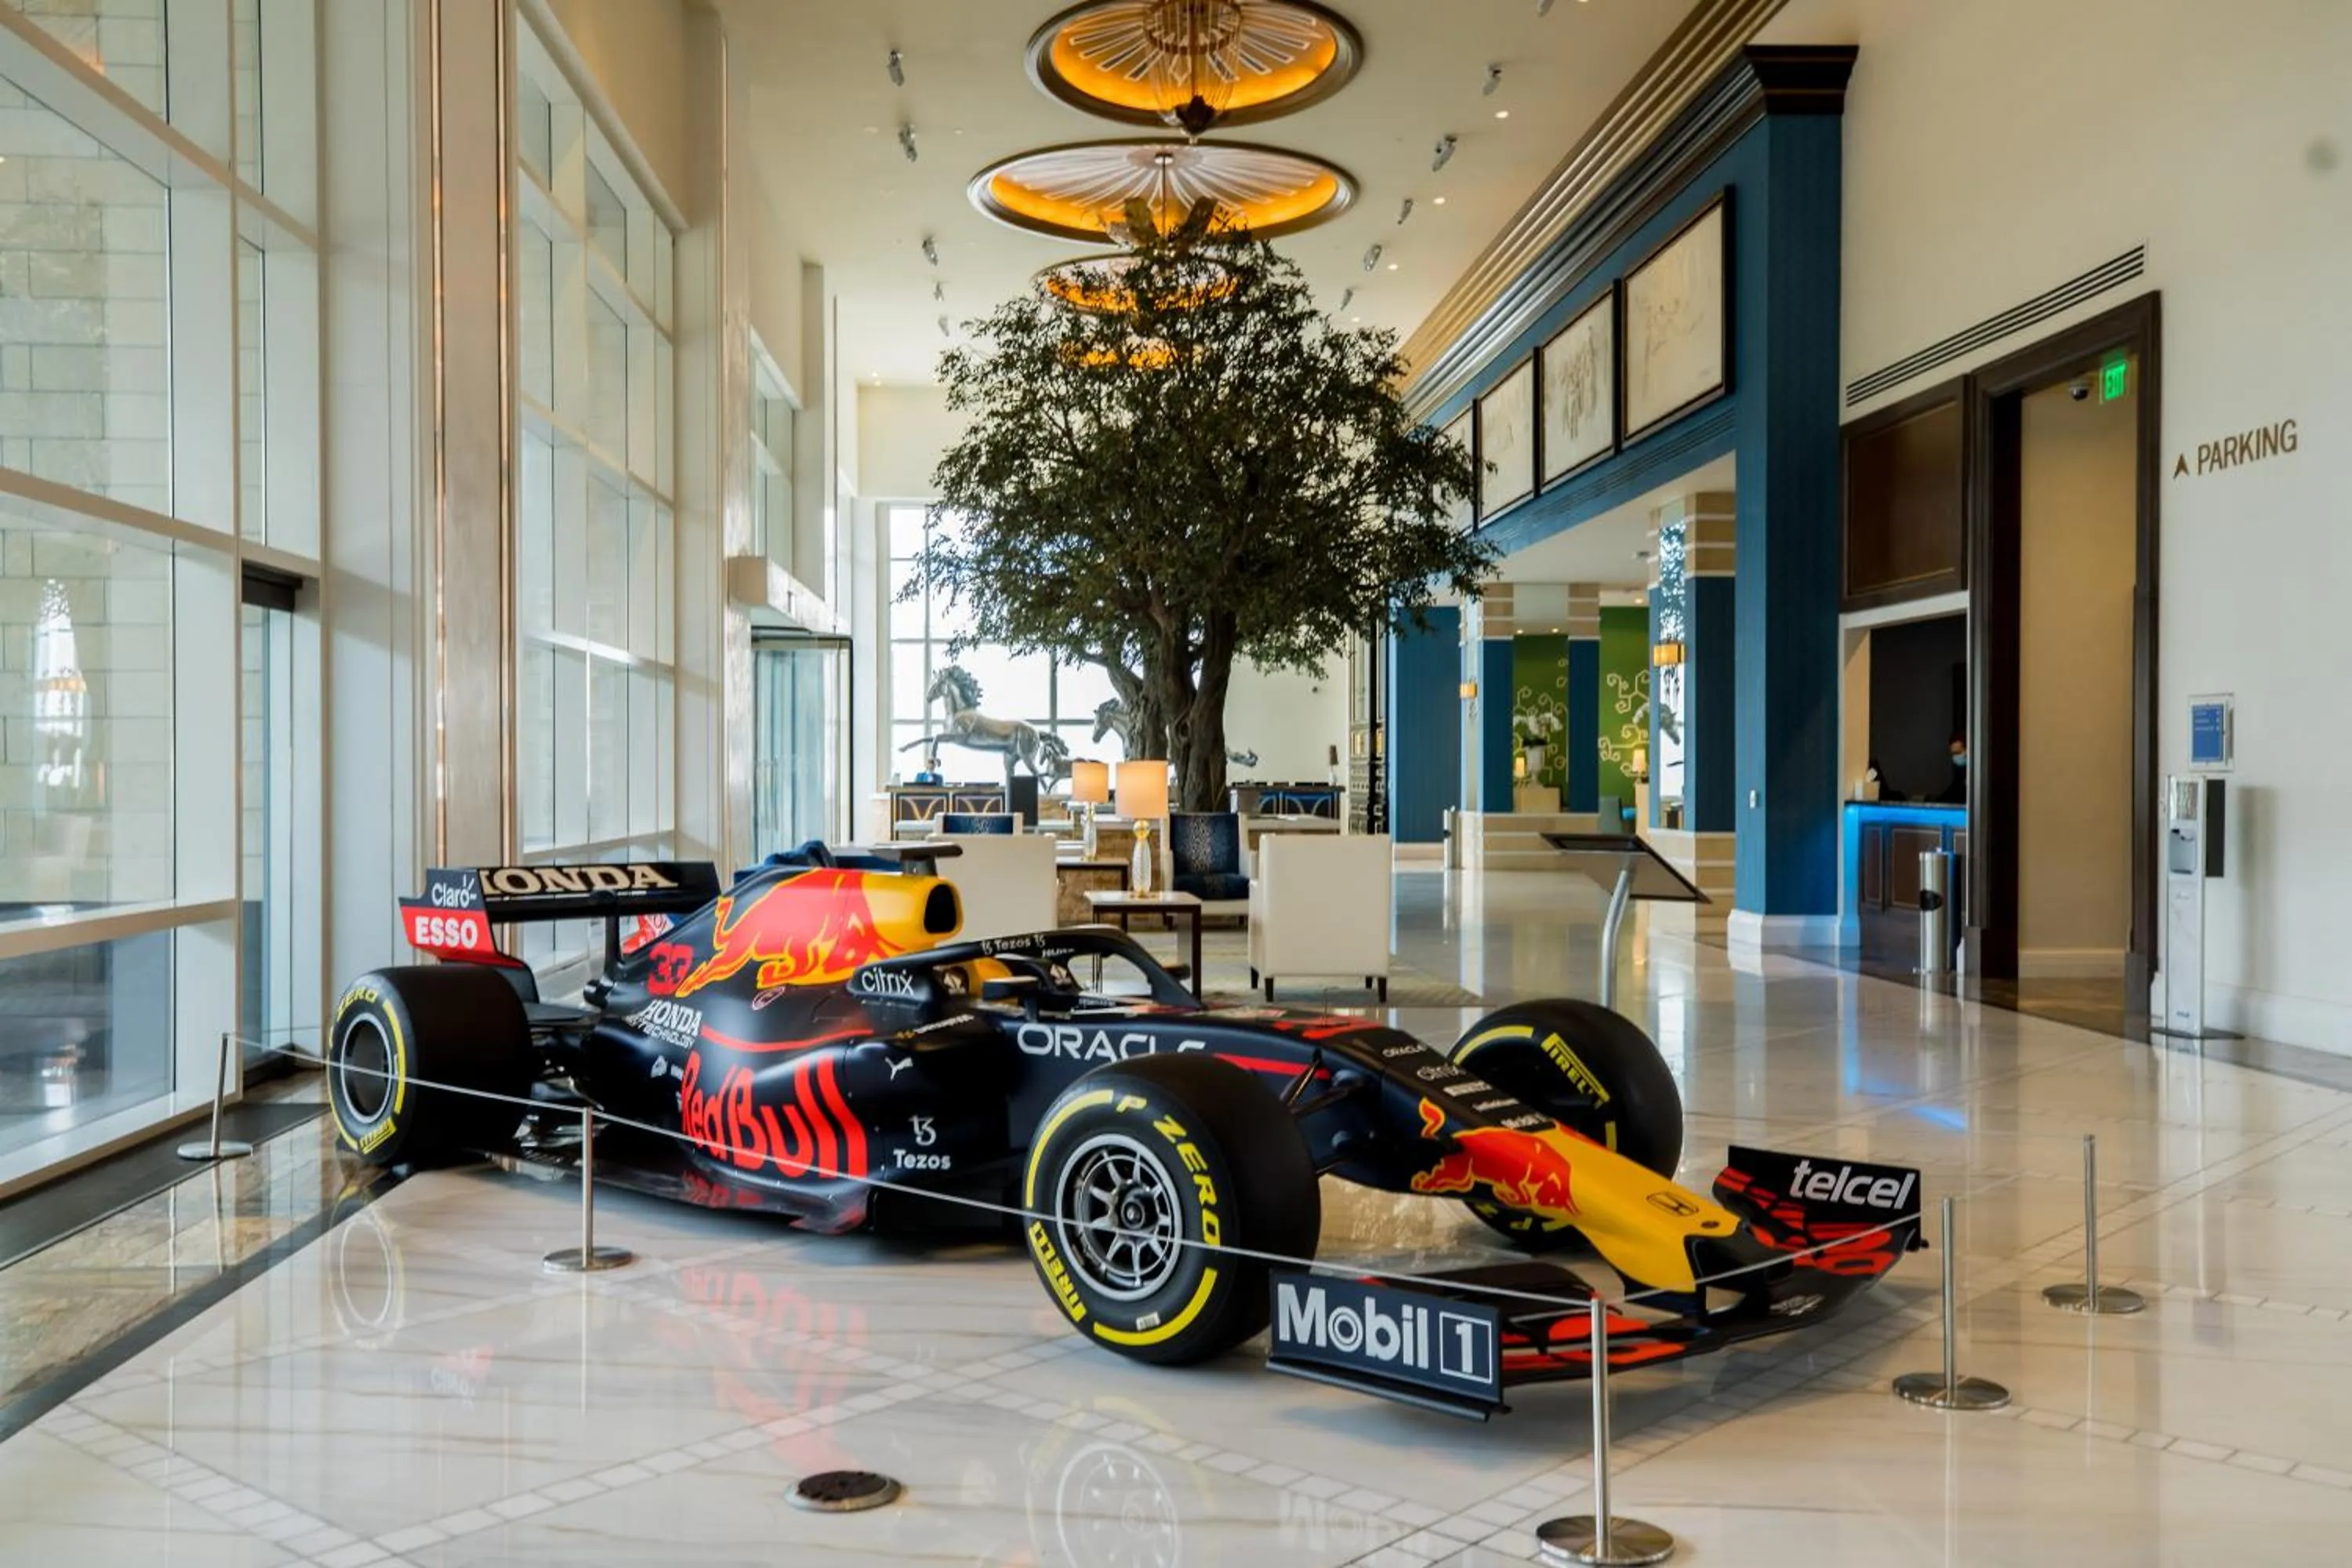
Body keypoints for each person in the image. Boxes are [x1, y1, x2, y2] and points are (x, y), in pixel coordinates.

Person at [1935, 735, 1968, 804]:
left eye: (1958, 753)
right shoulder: (1959, 772)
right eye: (1953, 754)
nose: (1955, 757)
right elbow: (1955, 788)